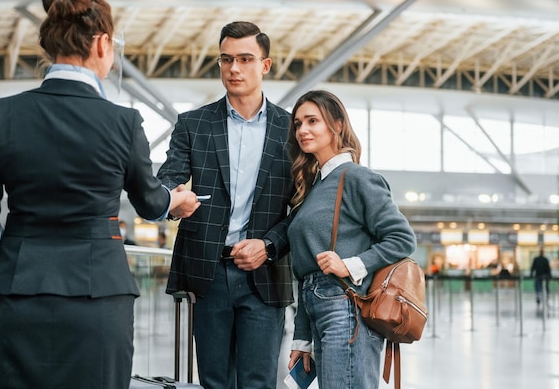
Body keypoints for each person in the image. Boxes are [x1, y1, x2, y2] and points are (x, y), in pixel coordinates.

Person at [0, 0, 199, 389]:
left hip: (21, 292)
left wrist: (5, 245)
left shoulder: (2, 114)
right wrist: (172, 202)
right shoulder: (123, 122)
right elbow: (147, 200)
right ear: (102, 44)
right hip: (99, 296)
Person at [157, 21, 295, 389]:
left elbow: (302, 208)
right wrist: (174, 199)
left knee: (259, 381)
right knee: (214, 381)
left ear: (265, 65)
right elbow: (168, 178)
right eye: (226, 59)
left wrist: (268, 246)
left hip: (264, 273)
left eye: (245, 59)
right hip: (209, 271)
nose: (234, 68)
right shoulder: (193, 124)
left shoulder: (292, 129)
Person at [286, 90, 416, 389]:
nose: (302, 130)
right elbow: (307, 271)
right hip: (318, 306)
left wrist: (350, 264)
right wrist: (302, 339)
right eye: (298, 123)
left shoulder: (357, 177)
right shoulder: (313, 187)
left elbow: (402, 238)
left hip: (347, 308)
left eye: (312, 121)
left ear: (338, 125)